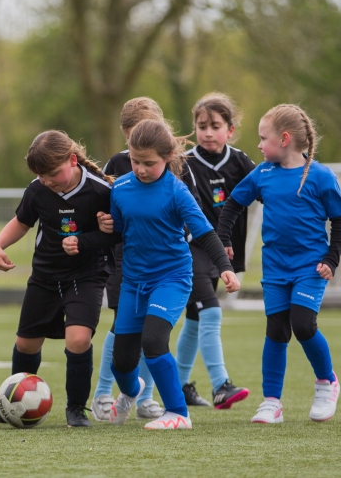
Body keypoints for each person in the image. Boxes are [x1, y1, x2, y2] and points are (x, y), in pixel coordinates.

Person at [216, 104, 341, 424]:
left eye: (264, 138)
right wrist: (224, 240)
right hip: (275, 268)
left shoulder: (320, 176)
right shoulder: (262, 174)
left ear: (285, 139)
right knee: (276, 330)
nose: (259, 145)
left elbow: (340, 220)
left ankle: (327, 382)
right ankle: (271, 402)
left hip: (311, 268)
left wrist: (332, 259)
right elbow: (232, 205)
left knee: (303, 325)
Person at [106, 118, 240, 430]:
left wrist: (225, 268)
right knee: (121, 362)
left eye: (149, 163)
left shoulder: (177, 192)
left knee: (153, 341)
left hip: (172, 278)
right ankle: (131, 391)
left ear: (167, 158)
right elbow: (117, 233)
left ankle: (178, 413)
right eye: (135, 161)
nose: (140, 169)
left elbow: (205, 233)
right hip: (133, 282)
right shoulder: (120, 188)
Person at [0, 131, 117, 428]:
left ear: (72, 160)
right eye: (41, 176)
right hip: (45, 275)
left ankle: (76, 409)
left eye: (53, 174)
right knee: (26, 344)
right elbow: (22, 222)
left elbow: (118, 234)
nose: (47, 181)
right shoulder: (37, 190)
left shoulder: (101, 190)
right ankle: (11, 402)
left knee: (79, 339)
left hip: (86, 275)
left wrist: (103, 231)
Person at [91, 97, 167, 422]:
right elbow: (103, 208)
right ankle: (102, 393)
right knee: (121, 327)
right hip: (124, 259)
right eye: (134, 133)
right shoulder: (117, 165)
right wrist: (103, 221)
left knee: (154, 329)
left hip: (162, 261)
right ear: (125, 134)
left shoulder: (172, 165)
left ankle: (145, 397)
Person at [177, 92, 254, 409]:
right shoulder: (183, 163)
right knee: (209, 310)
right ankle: (221, 385)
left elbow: (267, 190)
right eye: (202, 126)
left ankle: (179, 386)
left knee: (195, 318)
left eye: (215, 126)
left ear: (230, 130)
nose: (208, 132)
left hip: (224, 254)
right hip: (191, 250)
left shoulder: (241, 161)